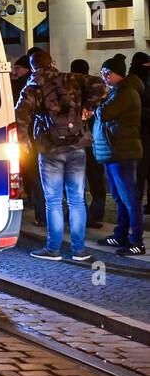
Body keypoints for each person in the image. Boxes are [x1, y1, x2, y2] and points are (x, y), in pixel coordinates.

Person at [16, 49, 107, 261]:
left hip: (50, 149)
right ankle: (79, 250)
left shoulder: (31, 87)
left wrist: (24, 141)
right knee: (77, 199)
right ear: (52, 62)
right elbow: (100, 86)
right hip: (76, 146)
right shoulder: (71, 78)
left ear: (32, 67)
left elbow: (20, 115)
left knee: (53, 200)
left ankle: (53, 248)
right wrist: (89, 107)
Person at [94, 54, 146, 255]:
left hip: (123, 153)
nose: (104, 76)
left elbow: (105, 113)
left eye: (107, 73)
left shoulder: (126, 93)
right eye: (102, 72)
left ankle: (136, 242)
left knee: (130, 199)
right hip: (114, 153)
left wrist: (101, 99)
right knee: (119, 198)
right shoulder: (119, 91)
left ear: (117, 74)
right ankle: (120, 235)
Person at [11, 52, 46, 226]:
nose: (14, 71)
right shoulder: (53, 83)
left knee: (34, 175)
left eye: (17, 68)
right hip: (42, 137)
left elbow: (19, 114)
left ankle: (42, 213)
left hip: (29, 138)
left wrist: (23, 139)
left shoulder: (26, 86)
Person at [71, 59, 106, 224]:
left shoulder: (68, 89)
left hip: (76, 139)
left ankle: (81, 213)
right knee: (96, 177)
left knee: (77, 180)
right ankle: (97, 212)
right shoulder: (96, 89)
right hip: (94, 138)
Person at [130, 51, 150, 212]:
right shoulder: (132, 84)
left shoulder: (134, 81)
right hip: (139, 134)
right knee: (139, 173)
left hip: (142, 133)